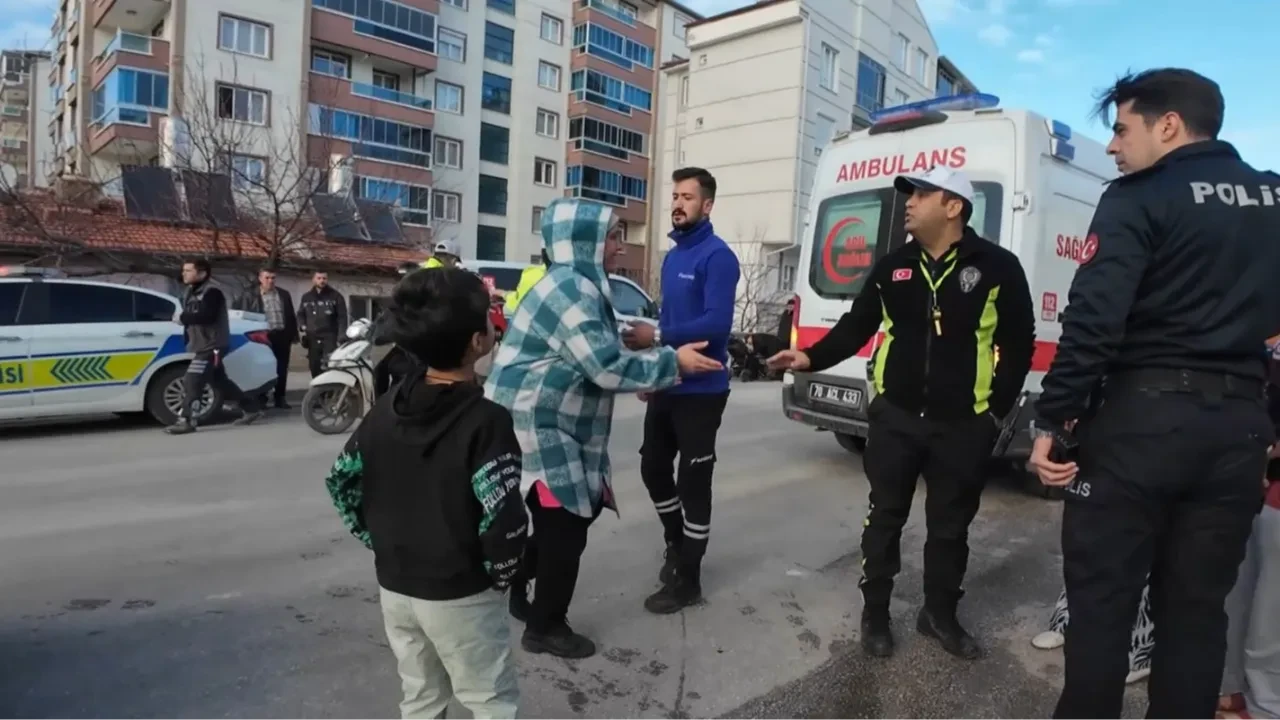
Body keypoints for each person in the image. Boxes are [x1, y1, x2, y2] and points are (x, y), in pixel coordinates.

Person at [1027, 69, 1280, 720]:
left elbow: (1094, 319)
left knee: (1103, 609)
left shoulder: (1138, 197)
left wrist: (1053, 418)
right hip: (1238, 435)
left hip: (1140, 427)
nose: (1112, 146)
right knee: (1196, 618)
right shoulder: (1273, 199)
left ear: (1168, 125)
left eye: (1120, 128)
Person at [767, 165, 1036, 660]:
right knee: (884, 518)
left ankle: (939, 615)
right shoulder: (894, 267)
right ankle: (875, 613)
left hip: (963, 426)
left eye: (921, 193)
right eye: (909, 194)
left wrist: (994, 415)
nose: (908, 202)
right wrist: (809, 358)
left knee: (950, 527)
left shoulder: (998, 267)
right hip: (896, 420)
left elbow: (1018, 347)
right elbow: (856, 326)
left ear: (953, 206)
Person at [486, 197, 724, 660]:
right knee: (566, 524)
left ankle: (516, 578)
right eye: (612, 236)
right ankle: (545, 625)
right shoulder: (570, 289)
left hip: (556, 421)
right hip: (537, 422)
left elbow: (604, 340)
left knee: (580, 511)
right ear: (584, 241)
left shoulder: (581, 284)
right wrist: (671, 364)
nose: (619, 245)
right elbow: (603, 365)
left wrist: (647, 356)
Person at [322, 267, 527, 720]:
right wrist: (503, 575)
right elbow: (504, 519)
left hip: (395, 585)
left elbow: (341, 481)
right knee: (490, 700)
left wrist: (384, 542)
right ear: (478, 341)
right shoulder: (486, 420)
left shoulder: (385, 408)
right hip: (462, 591)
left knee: (420, 696)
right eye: (490, 315)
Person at [622, 167, 741, 614]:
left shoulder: (718, 257)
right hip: (670, 381)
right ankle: (677, 542)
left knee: (694, 480)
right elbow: (674, 322)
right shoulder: (673, 257)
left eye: (688, 197)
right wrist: (655, 370)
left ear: (707, 205)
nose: (678, 203)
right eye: (675, 195)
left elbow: (716, 325)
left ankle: (689, 578)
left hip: (704, 389)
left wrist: (653, 337)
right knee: (653, 468)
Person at [1217, 337, 1280, 720]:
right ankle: (1248, 695)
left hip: (1264, 481)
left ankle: (1255, 701)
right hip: (1254, 480)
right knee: (1247, 598)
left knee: (1263, 604)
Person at [166, 259, 265, 435]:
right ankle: (251, 409)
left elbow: (207, 315)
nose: (184, 274)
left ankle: (186, 420)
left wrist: (183, 318)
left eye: (189, 270)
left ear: (202, 273)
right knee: (220, 381)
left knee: (192, 380)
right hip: (203, 344)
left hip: (212, 346)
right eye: (184, 270)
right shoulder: (190, 291)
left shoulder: (212, 292)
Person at [234, 267, 298, 409]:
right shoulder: (250, 295)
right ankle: (260, 398)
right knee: (262, 368)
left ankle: (280, 397)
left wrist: (294, 335)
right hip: (262, 337)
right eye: (267, 278)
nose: (270, 281)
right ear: (260, 279)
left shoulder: (283, 294)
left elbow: (290, 315)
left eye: (273, 278)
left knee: (281, 368)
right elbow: (243, 316)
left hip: (281, 335)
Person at [299, 271, 348, 378]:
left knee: (329, 364)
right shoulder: (306, 297)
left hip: (330, 337)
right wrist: (302, 326)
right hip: (312, 336)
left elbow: (342, 318)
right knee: (314, 365)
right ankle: (317, 392)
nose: (322, 281)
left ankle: (329, 392)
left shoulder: (336, 296)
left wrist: (341, 336)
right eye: (319, 278)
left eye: (324, 278)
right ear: (313, 279)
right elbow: (301, 314)